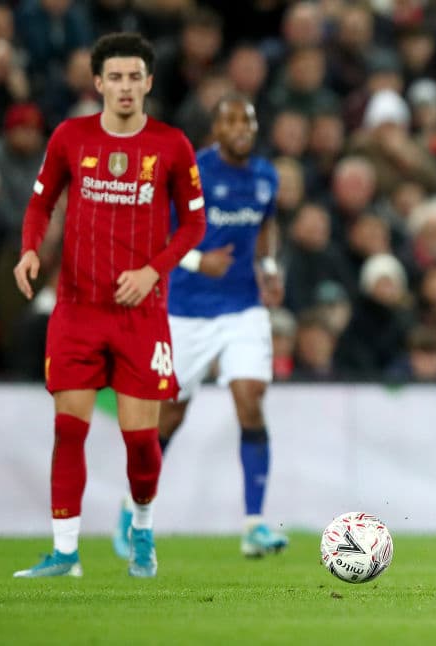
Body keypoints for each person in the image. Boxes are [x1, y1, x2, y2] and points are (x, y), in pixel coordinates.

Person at [12, 33, 207, 578]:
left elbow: (194, 223)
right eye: (114, 77)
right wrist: (30, 250)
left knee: (141, 440)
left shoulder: (171, 145)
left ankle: (141, 529)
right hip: (76, 309)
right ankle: (66, 553)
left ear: (148, 82)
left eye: (133, 77)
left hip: (140, 315)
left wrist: (152, 271)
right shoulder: (70, 136)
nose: (124, 87)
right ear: (98, 83)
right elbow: (40, 201)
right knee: (68, 429)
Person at [112, 95, 287, 559]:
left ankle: (254, 525)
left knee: (250, 398)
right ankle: (132, 507)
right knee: (170, 415)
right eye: (231, 120)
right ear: (216, 129)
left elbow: (267, 226)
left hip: (243, 309)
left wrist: (268, 266)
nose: (241, 127)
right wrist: (195, 260)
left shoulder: (268, 175)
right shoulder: (191, 175)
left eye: (248, 119)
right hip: (185, 311)